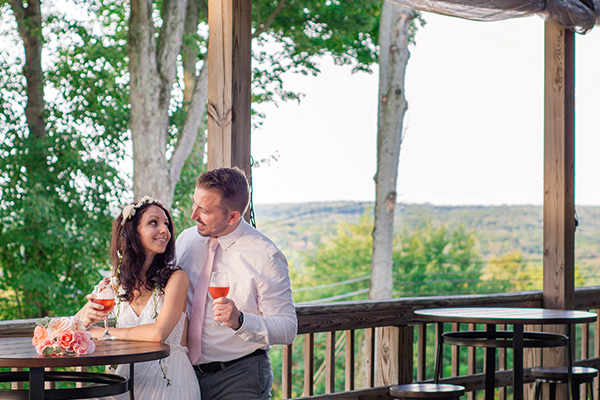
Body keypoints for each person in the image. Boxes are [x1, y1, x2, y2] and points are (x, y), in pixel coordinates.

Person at [177, 167, 297, 399]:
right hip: (185, 374)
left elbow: (288, 328)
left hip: (240, 376)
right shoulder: (186, 240)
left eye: (204, 210)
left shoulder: (266, 255)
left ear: (233, 216)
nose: (193, 215)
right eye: (194, 204)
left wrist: (241, 321)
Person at [77, 196, 201, 400]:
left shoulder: (176, 279)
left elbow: (157, 333)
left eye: (166, 224)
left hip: (169, 381)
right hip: (126, 381)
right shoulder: (114, 284)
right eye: (154, 222)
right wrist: (88, 319)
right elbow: (72, 326)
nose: (165, 231)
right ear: (132, 232)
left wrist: (103, 332)